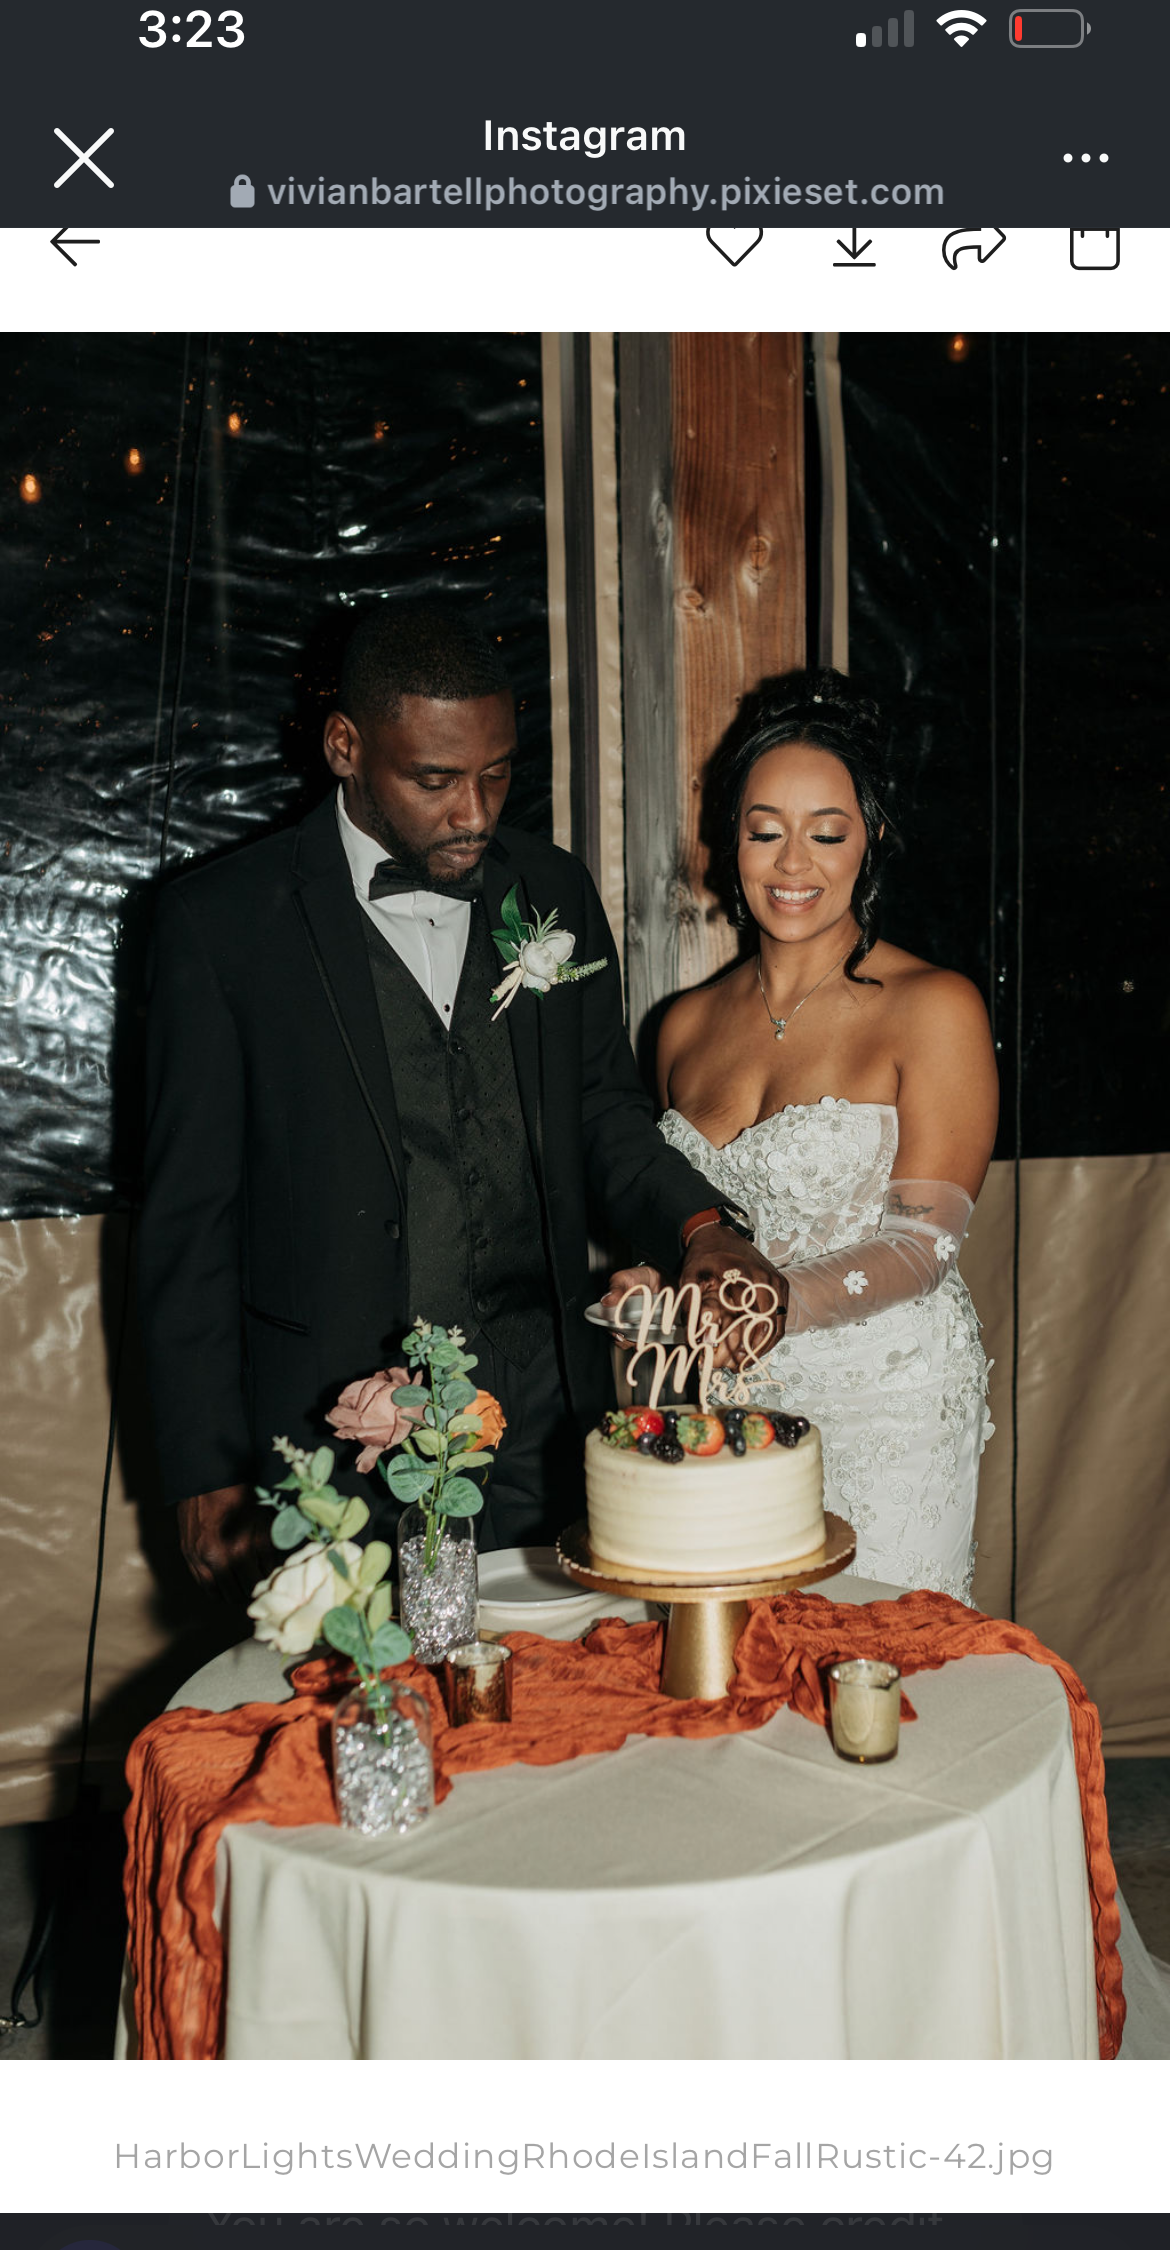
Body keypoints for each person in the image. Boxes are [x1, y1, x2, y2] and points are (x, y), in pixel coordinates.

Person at [139, 597, 781, 1603]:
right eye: (434, 780)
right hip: (335, 1430)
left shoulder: (553, 892)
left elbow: (602, 1110)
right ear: (346, 747)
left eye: (496, 775)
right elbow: (189, 1220)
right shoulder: (220, 927)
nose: (475, 814)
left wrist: (702, 1224)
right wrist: (205, 1462)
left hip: (539, 1409)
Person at [612, 669, 998, 1601]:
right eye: (766, 831)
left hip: (888, 1402)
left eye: (827, 833)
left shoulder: (932, 1007)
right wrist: (652, 1296)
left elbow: (924, 1241)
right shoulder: (680, 1026)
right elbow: (672, 1214)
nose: (794, 865)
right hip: (724, 1402)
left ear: (869, 842)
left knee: (874, 1672)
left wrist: (779, 1301)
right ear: (731, 841)